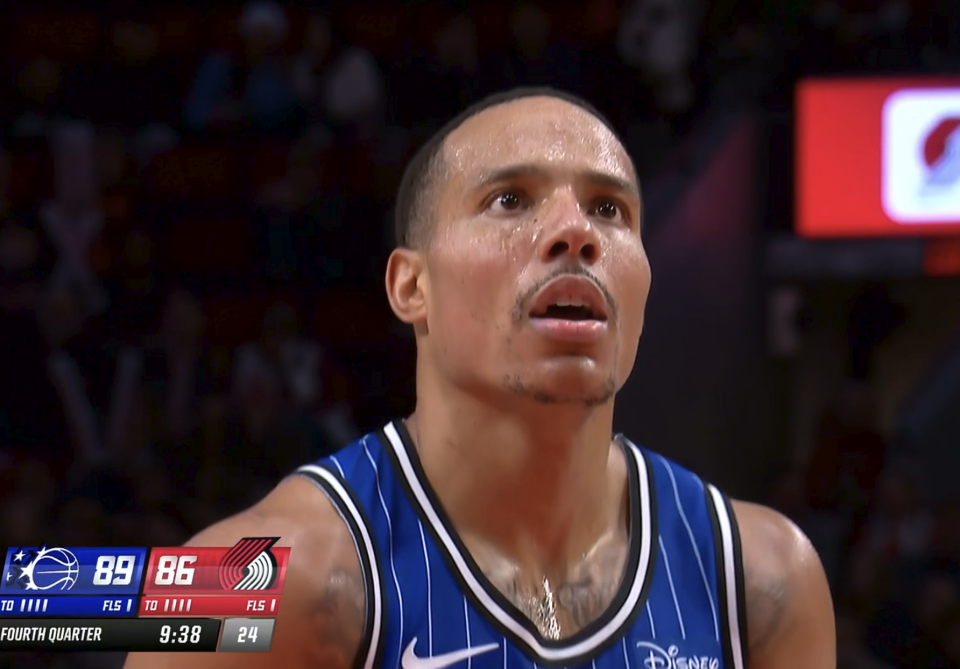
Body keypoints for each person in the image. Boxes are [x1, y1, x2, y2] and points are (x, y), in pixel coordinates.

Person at [124, 88, 835, 669]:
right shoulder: (250, 579)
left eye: (609, 209)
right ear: (411, 287)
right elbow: (68, 600)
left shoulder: (768, 577)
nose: (577, 231)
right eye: (510, 200)